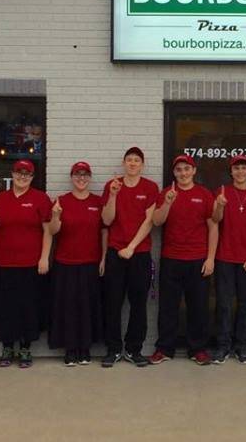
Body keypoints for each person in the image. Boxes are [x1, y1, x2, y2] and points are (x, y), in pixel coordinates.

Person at [0, 159, 57, 369]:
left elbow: (48, 231)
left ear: (32, 177)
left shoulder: (40, 199)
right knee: (5, 309)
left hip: (30, 265)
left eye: (27, 174)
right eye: (19, 173)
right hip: (3, 264)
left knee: (28, 309)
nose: (22, 177)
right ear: (12, 174)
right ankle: (7, 348)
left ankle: (25, 348)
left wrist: (44, 258)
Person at [149, 155, 217, 366]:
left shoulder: (204, 194)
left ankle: (198, 349)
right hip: (171, 258)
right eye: (179, 169)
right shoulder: (166, 193)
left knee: (198, 307)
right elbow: (156, 221)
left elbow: (213, 227)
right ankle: (164, 348)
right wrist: (167, 203)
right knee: (168, 307)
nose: (183, 173)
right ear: (174, 173)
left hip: (198, 259)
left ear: (194, 171)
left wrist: (211, 258)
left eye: (187, 169)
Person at [100, 147, 159, 368]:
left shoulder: (150, 187)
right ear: (124, 163)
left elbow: (149, 221)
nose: (133, 163)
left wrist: (132, 247)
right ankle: (113, 349)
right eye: (129, 160)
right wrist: (113, 195)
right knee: (112, 303)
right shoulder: (112, 185)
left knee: (138, 304)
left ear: (142, 165)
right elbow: (107, 220)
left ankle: (134, 350)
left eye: (137, 160)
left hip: (139, 253)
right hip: (115, 252)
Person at [48, 161, 106, 366]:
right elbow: (52, 231)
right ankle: (70, 349)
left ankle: (85, 348)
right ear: (72, 177)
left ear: (89, 178)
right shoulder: (61, 201)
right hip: (65, 263)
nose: (81, 178)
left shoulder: (98, 202)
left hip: (90, 262)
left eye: (85, 175)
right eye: (77, 175)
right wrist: (56, 215)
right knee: (69, 308)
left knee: (87, 308)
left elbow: (104, 231)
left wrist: (104, 257)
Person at [211, 154, 246, 364]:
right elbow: (215, 220)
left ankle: (242, 347)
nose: (240, 171)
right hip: (224, 257)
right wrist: (220, 205)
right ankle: (223, 346)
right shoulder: (222, 192)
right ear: (231, 172)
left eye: (243, 168)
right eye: (236, 168)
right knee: (223, 305)